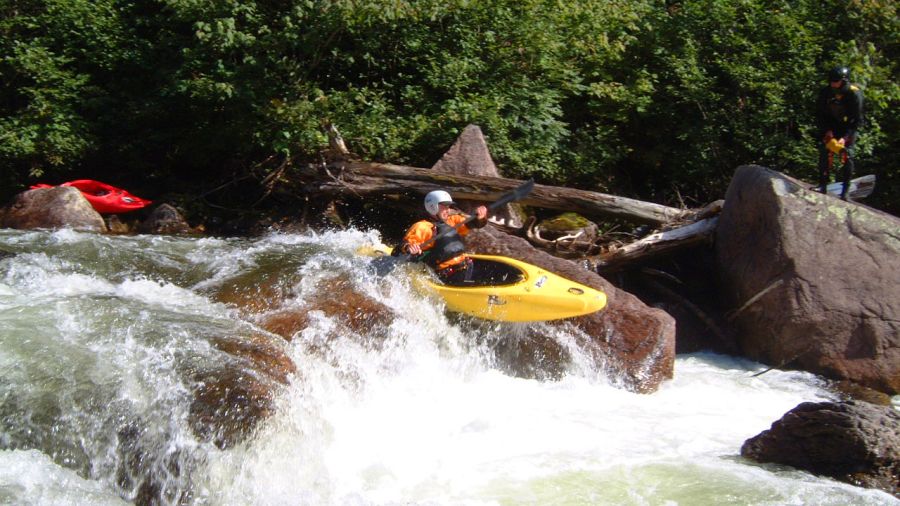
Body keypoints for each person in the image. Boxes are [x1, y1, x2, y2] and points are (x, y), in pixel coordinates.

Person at [398, 190, 488, 285]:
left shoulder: (451, 221)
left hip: (467, 267)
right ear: (433, 207)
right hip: (449, 276)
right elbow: (403, 247)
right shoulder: (422, 227)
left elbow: (474, 224)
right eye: (444, 206)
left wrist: (481, 217)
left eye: (448, 207)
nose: (448, 210)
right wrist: (410, 248)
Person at [815, 65, 864, 200]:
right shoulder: (825, 92)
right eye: (831, 81)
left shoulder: (854, 93)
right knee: (824, 151)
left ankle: (845, 192)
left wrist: (845, 137)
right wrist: (827, 130)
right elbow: (820, 114)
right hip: (832, 126)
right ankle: (822, 186)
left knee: (847, 155)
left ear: (844, 80)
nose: (833, 84)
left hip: (848, 127)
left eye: (836, 81)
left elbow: (857, 119)